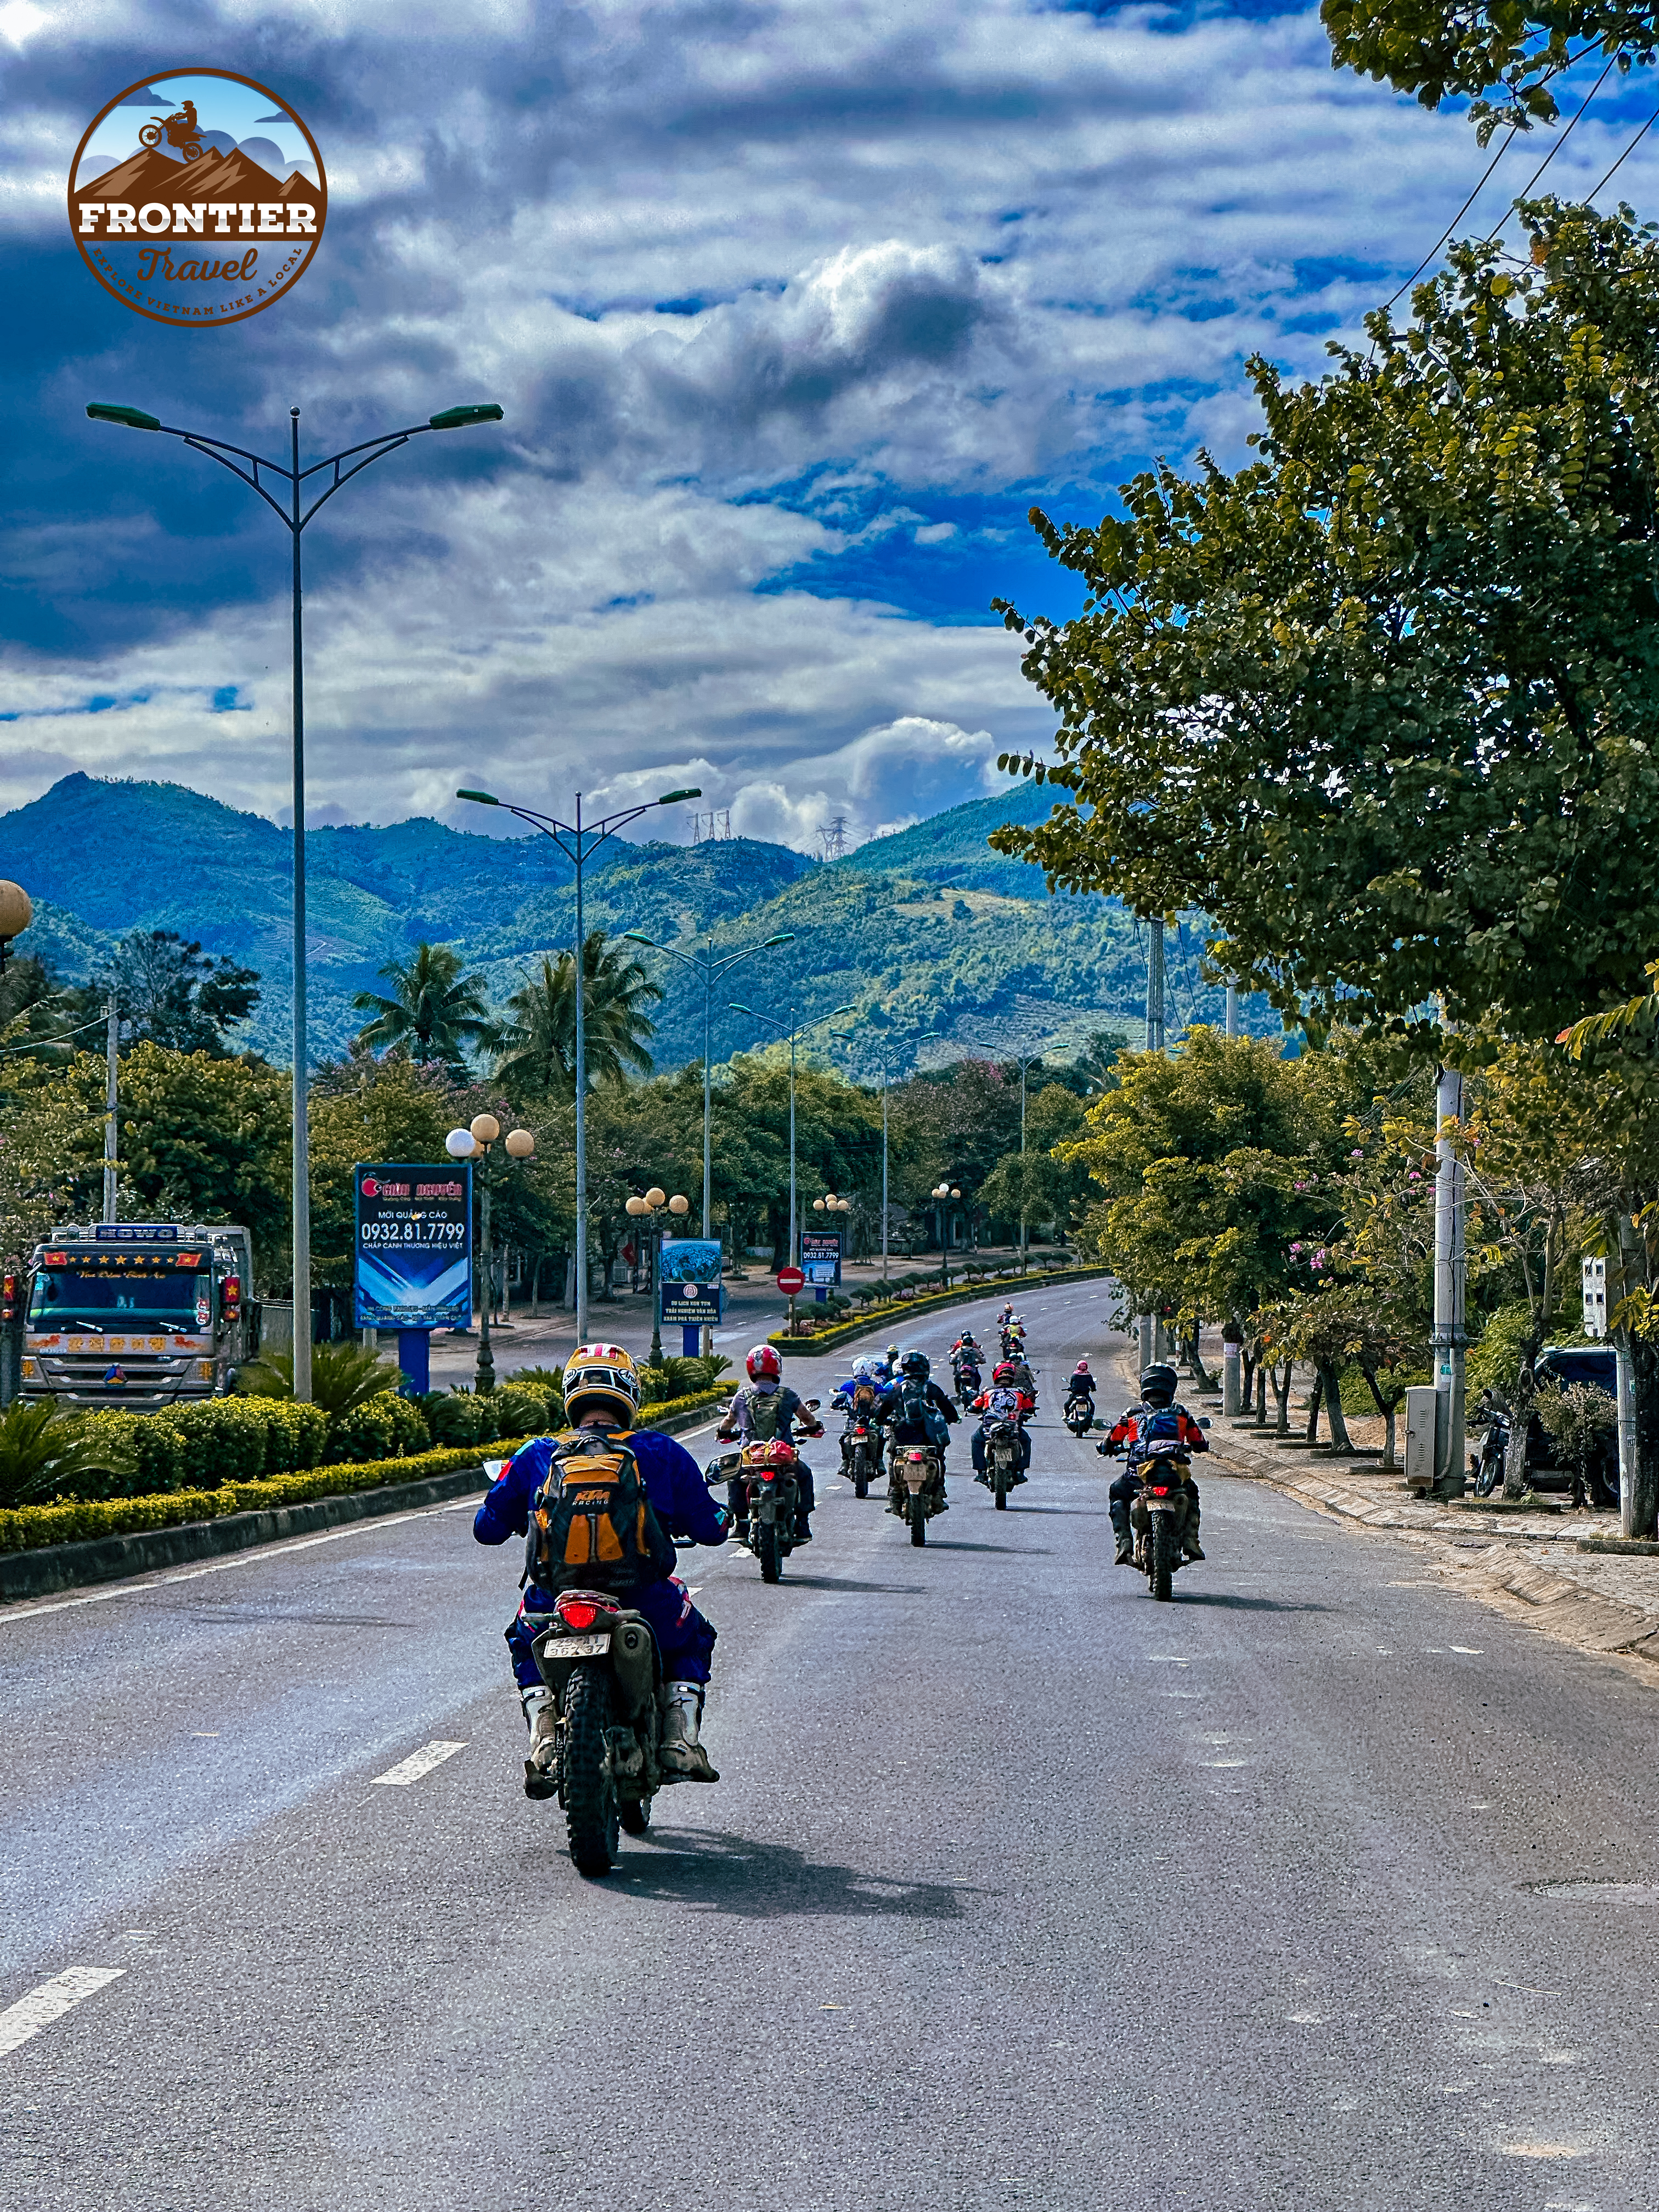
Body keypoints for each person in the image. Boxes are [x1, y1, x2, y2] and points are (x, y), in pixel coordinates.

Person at [474, 1341, 727, 1793]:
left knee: (522, 1637)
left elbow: (485, 1530)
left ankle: (545, 1736)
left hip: (555, 1597)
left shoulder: (538, 1453)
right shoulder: (659, 1450)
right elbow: (710, 1530)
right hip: (644, 1596)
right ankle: (678, 1740)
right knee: (694, 1635)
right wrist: (723, 1517)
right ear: (629, 1396)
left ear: (571, 1394)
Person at [1097, 1362, 1209, 1566]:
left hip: (1138, 1475)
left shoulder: (1132, 1414)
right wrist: (1200, 1446)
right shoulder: (1181, 1413)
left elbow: (1111, 1439)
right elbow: (1199, 1442)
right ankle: (1191, 1541)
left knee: (1117, 1493)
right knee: (1192, 1494)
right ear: (1171, 1388)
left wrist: (1105, 1447)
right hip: (1174, 1473)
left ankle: (1123, 1542)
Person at [718, 1342, 825, 1541]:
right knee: (805, 1475)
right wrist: (815, 1426)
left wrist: (723, 1432)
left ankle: (741, 1525)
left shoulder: (741, 1397)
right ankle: (802, 1524)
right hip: (782, 1456)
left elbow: (727, 1423)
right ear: (777, 1367)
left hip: (751, 1459)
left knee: (734, 1479)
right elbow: (808, 1419)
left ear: (751, 1368)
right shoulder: (788, 1395)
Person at [875, 1347, 959, 1515]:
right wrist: (953, 1418)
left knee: (894, 1459)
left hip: (903, 1437)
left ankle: (895, 1497)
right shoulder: (931, 1388)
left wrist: (880, 1420)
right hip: (928, 1439)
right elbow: (948, 1409)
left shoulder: (898, 1389)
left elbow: (881, 1413)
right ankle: (939, 1493)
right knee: (939, 1457)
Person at [969, 1363, 1034, 1483]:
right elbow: (1029, 1406)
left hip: (989, 1429)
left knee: (976, 1440)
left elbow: (974, 1406)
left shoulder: (987, 1392)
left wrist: (973, 1407)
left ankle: (981, 1473)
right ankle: (1020, 1472)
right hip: (1013, 1429)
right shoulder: (1020, 1392)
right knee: (1026, 1441)